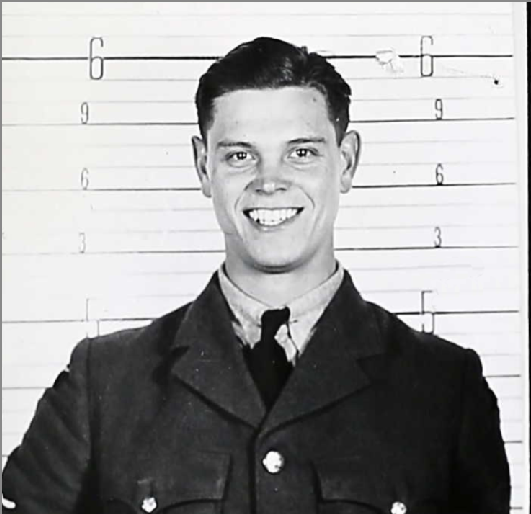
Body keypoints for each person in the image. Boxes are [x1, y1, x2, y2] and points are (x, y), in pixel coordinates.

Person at [2, 36, 510, 514]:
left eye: (302, 153)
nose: (270, 182)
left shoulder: (445, 388)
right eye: (240, 156)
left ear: (347, 162)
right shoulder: (103, 384)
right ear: (203, 166)